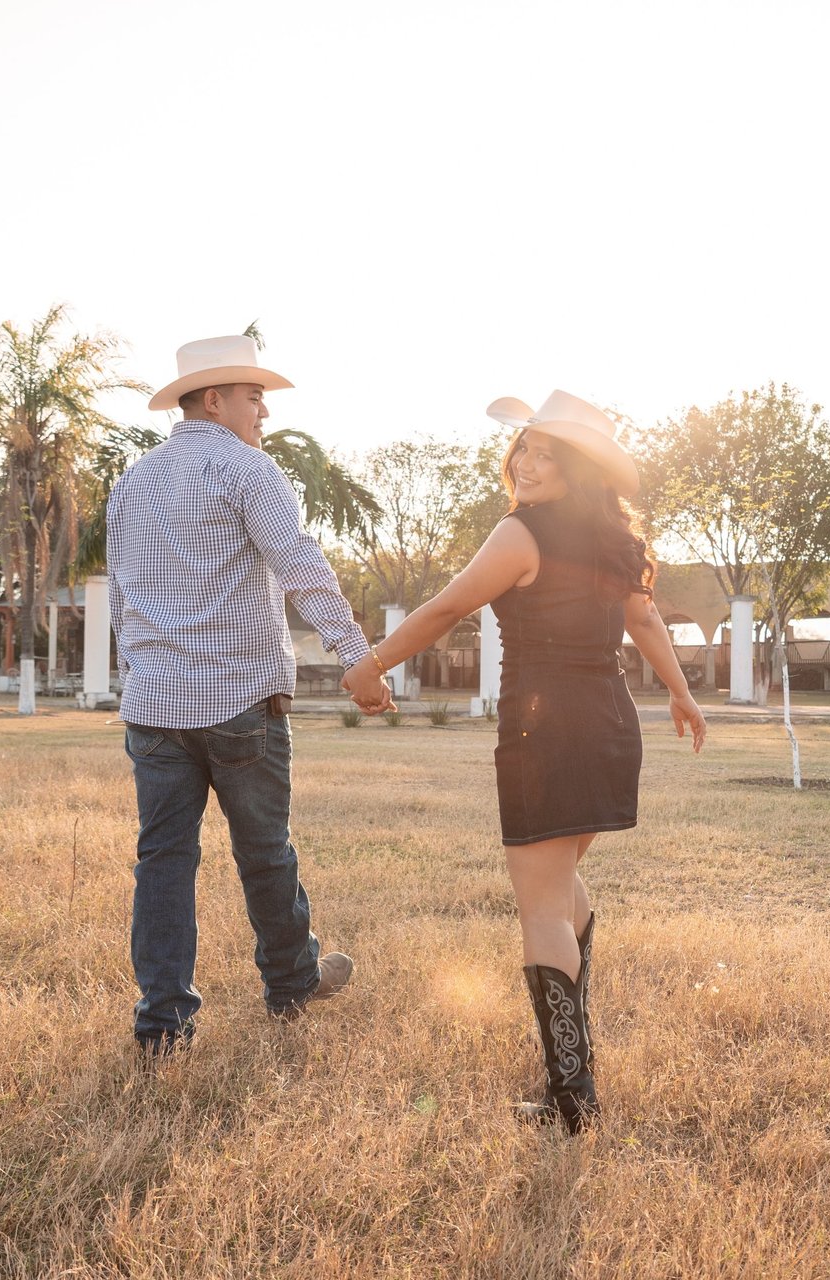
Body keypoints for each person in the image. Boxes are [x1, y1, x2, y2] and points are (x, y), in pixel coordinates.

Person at [342, 390, 707, 1132]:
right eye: (525, 449)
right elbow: (642, 620)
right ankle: (578, 1071)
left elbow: (447, 607)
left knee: (540, 905)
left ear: (577, 468)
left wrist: (369, 665)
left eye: (548, 453)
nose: (529, 463)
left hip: (546, 729)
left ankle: (573, 1100)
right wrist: (680, 693)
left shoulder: (522, 533)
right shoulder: (611, 540)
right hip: (608, 723)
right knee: (563, 883)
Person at [107, 334, 392, 1057]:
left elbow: (126, 598)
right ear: (213, 399)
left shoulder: (132, 482)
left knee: (162, 862)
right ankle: (292, 983)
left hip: (154, 705)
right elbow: (301, 565)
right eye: (251, 393)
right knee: (264, 851)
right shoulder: (246, 469)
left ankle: (162, 1023)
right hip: (237, 700)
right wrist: (357, 656)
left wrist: (143, 671)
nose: (263, 408)